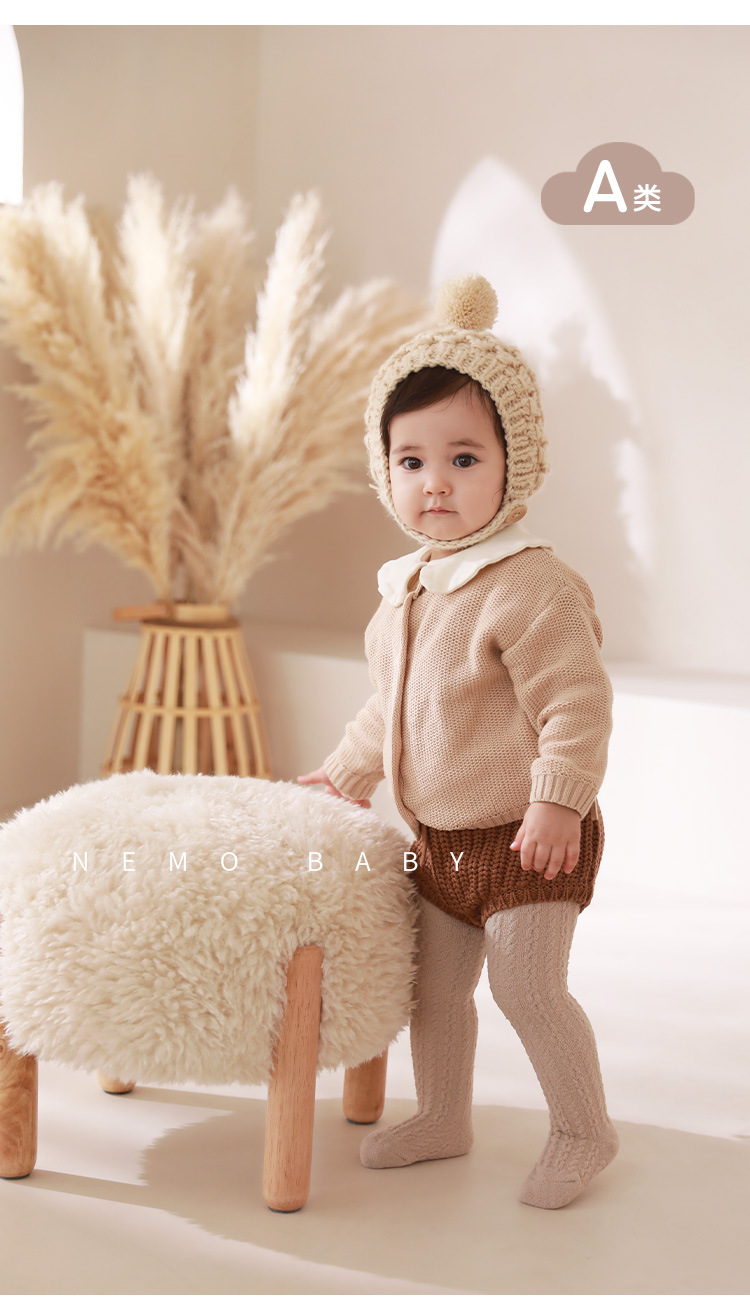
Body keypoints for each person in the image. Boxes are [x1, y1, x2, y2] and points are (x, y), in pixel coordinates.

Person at [297, 273, 619, 1210]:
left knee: (528, 989)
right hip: (437, 842)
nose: (435, 481)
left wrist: (559, 799)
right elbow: (389, 707)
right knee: (433, 994)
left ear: (515, 466)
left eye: (465, 458)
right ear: (386, 471)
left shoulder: (531, 585)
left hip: (527, 839)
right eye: (411, 460)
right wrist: (348, 770)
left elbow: (577, 704)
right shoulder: (405, 590)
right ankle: (443, 1114)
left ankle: (584, 1129)